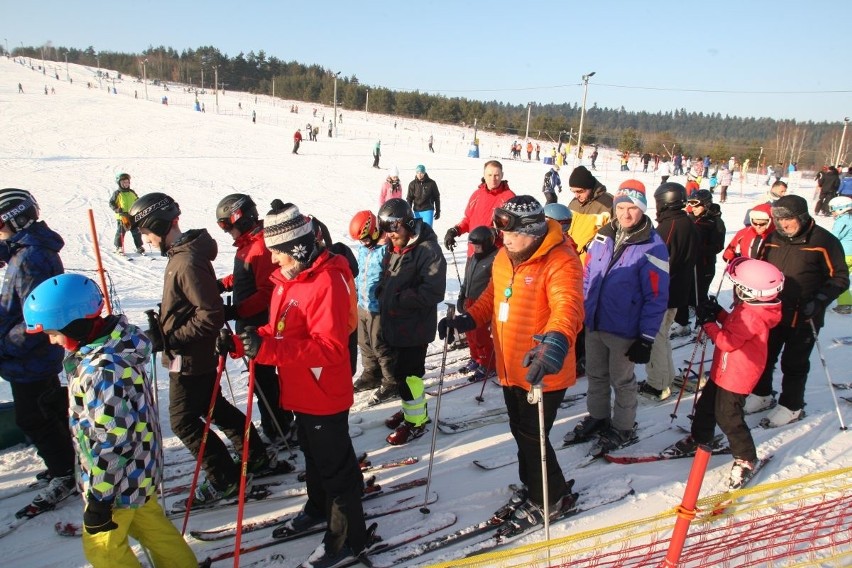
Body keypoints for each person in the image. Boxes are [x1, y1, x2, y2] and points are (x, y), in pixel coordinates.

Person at [221, 201, 370, 567]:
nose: (273, 260)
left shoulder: (327, 282)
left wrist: (268, 348)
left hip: (323, 392)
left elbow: (331, 348)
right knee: (314, 455)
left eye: (277, 252)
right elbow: (279, 330)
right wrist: (245, 343)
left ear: (297, 248)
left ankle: (349, 539)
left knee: (335, 466)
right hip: (301, 390)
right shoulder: (290, 280)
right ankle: (319, 507)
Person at [22, 274, 198, 568]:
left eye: (53, 333)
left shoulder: (102, 370)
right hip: (137, 473)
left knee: (102, 550)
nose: (52, 341)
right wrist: (75, 396)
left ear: (74, 325)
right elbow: (115, 409)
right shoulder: (114, 349)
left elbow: (113, 441)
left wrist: (101, 499)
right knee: (153, 530)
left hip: (115, 482)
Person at [439, 195, 583, 526]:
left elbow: (568, 307)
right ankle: (535, 485)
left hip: (543, 367)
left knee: (534, 437)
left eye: (514, 235)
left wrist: (556, 344)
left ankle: (549, 498)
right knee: (521, 432)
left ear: (533, 232)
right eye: (503, 234)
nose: (506, 240)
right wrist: (467, 320)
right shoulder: (506, 255)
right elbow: (491, 296)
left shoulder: (560, 260)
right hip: (509, 366)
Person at [127, 192, 271, 508]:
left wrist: (172, 337)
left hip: (189, 356)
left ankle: (225, 479)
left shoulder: (186, 260)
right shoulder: (182, 256)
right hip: (193, 352)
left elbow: (211, 314)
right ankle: (255, 456)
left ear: (157, 225)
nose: (146, 240)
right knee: (213, 406)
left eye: (146, 233)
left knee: (183, 421)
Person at [564, 184, 669, 453]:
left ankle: (623, 426)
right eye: (621, 207)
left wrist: (646, 338)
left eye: (632, 207)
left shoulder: (653, 246)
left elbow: (656, 297)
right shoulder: (603, 235)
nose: (625, 213)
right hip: (595, 321)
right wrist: (582, 310)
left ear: (642, 209)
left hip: (624, 329)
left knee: (621, 381)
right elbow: (588, 275)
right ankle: (598, 417)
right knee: (596, 375)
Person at [0, 188, 77, 518]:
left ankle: (64, 472)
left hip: (29, 355)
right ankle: (67, 461)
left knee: (32, 416)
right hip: (29, 354)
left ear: (14, 221)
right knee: (48, 407)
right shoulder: (25, 252)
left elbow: (38, 317)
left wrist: (4, 344)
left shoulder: (31, 258)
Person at [677, 259, 783, 488]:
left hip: (737, 376)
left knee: (728, 416)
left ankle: (746, 457)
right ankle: (701, 437)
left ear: (747, 291)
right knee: (706, 407)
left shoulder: (752, 315)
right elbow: (733, 325)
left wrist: (708, 322)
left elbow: (727, 341)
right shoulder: (750, 309)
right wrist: (718, 313)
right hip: (724, 370)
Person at [748, 195, 849, 426]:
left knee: (794, 363)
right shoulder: (773, 238)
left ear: (802, 217)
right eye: (779, 219)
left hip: (805, 314)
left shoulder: (824, 240)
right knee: (764, 356)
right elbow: (759, 267)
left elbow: (840, 278)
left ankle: (791, 405)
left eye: (789, 219)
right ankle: (761, 394)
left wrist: (820, 300)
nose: (784, 224)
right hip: (772, 312)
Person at [214, 194, 295, 446]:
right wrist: (223, 284)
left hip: (260, 325)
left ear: (243, 218)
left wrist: (236, 311)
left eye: (228, 225)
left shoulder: (260, 246)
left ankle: (280, 428)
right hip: (250, 323)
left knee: (264, 381)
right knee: (260, 380)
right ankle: (276, 424)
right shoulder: (249, 245)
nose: (227, 232)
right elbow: (245, 275)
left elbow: (267, 292)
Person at [374, 198, 447, 442]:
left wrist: (400, 297)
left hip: (414, 327)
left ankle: (417, 420)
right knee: (399, 373)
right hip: (395, 323)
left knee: (411, 376)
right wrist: (382, 290)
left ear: (407, 224)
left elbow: (433, 291)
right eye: (385, 232)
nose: (388, 237)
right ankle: (409, 408)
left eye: (393, 231)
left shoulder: (428, 251)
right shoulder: (394, 246)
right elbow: (390, 274)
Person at [642, 182, 699, 401]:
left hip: (664, 293)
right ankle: (666, 377)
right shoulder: (687, 222)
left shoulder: (670, 226)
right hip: (676, 290)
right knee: (662, 335)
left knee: (654, 336)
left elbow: (656, 260)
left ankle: (657, 384)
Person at [349, 211, 396, 394]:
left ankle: (391, 380)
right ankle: (371, 373)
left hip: (378, 306)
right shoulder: (363, 249)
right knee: (364, 342)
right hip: (362, 303)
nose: (364, 243)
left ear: (376, 230)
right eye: (361, 241)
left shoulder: (386, 248)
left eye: (367, 239)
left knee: (380, 344)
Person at [444, 160, 516, 257]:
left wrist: (495, 233)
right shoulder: (477, 194)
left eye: (496, 175)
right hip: (473, 252)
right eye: (489, 175)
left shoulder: (509, 198)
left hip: (494, 254)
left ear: (502, 175)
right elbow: (468, 219)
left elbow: (512, 229)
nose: (493, 179)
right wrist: (455, 230)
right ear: (484, 175)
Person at [456, 226, 498, 382]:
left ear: (487, 244)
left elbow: (494, 285)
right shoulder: (473, 257)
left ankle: (488, 364)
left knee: (482, 336)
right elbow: (467, 279)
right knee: (470, 335)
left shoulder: (495, 259)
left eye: (478, 246)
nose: (476, 248)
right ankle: (476, 358)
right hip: (469, 300)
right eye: (474, 246)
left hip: (483, 303)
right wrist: (462, 295)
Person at [688, 189, 726, 306]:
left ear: (706, 204)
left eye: (697, 205)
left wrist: (698, 249)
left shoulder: (715, 222)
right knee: (687, 289)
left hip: (704, 264)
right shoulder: (690, 218)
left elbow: (718, 246)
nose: (693, 208)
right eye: (691, 204)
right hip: (690, 262)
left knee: (700, 291)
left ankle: (701, 312)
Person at [109, 173, 145, 256]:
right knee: (121, 232)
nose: (126, 184)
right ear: (119, 183)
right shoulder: (117, 193)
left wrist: (140, 207)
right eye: (123, 183)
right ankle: (119, 247)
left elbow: (137, 200)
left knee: (136, 232)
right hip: (122, 216)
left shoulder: (132, 192)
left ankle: (139, 246)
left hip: (132, 215)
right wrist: (117, 209)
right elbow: (111, 203)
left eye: (127, 182)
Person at [828, 196, 852, 314]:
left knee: (837, 277)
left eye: (833, 209)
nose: (832, 212)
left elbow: (834, 237)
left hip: (845, 254)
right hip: (850, 254)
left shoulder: (843, 220)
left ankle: (845, 304)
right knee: (844, 277)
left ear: (841, 208)